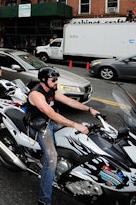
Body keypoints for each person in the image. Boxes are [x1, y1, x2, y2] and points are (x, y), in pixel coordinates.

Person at [26, 67, 99, 205]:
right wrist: (74, 124)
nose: (56, 82)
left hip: (52, 122)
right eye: (53, 80)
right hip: (41, 126)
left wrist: (89, 109)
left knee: (80, 134)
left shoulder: (52, 90)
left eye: (56, 79)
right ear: (43, 80)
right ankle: (43, 200)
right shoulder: (36, 94)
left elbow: (69, 101)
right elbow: (52, 114)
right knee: (52, 159)